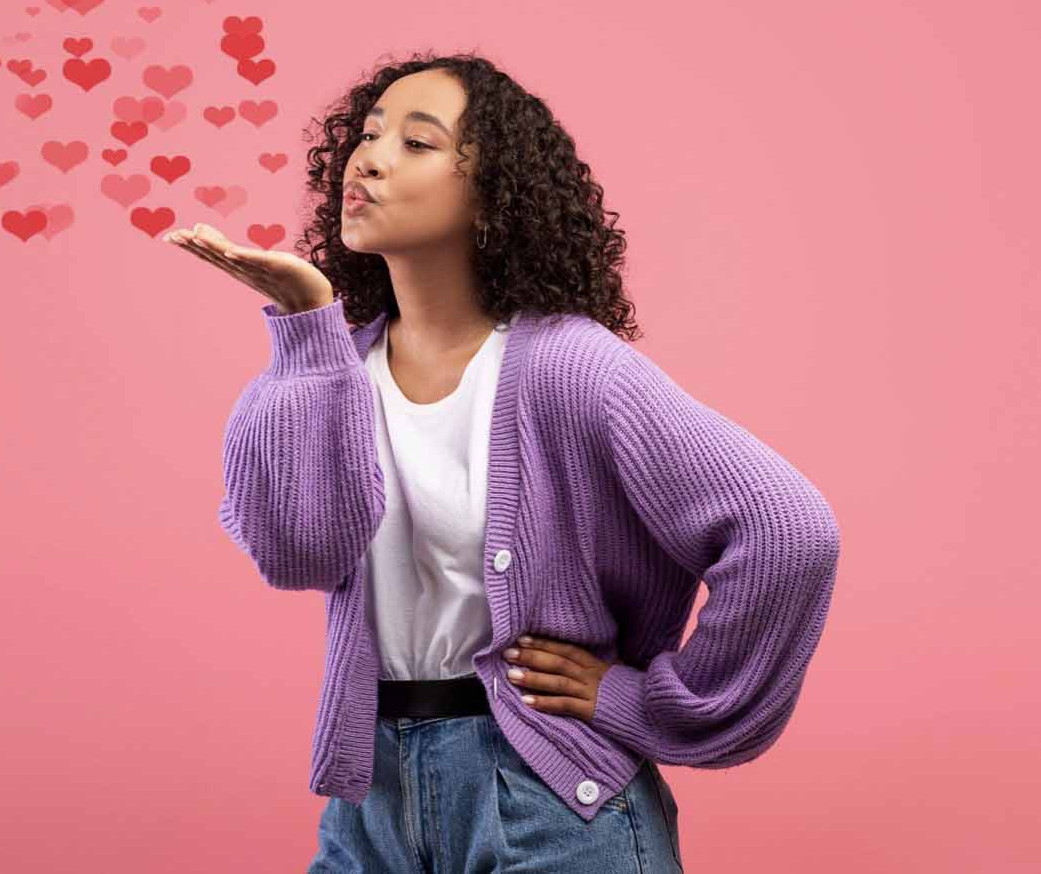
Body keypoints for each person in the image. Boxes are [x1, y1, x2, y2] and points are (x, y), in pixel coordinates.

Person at [162, 51, 838, 873]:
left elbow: (789, 531)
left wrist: (647, 701)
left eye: (417, 142)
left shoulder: (569, 367)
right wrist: (308, 324)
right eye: (367, 136)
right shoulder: (326, 373)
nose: (368, 158)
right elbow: (299, 553)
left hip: (546, 797)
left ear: (491, 194)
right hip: (369, 805)